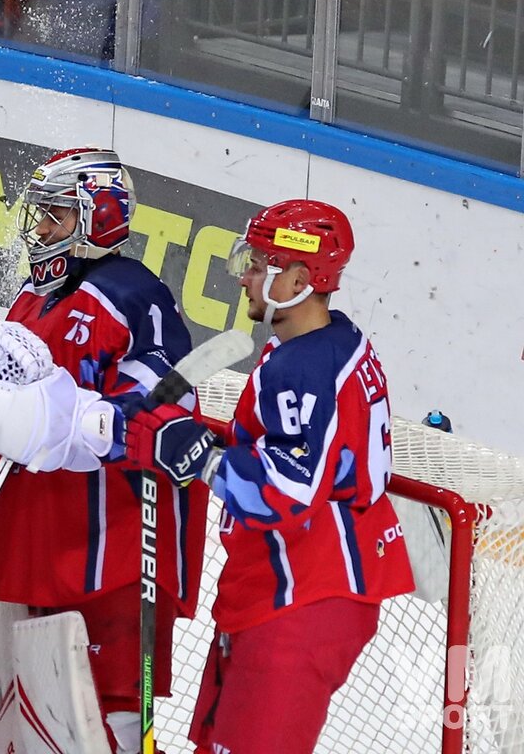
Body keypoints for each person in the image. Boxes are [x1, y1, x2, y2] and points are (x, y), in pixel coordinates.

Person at [121, 199, 416, 753]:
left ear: (299, 279)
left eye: (258, 266)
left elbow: (286, 491)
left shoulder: (302, 369)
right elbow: (284, 448)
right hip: (285, 588)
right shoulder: (329, 342)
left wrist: (199, 456)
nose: (245, 278)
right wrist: (198, 440)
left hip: (303, 597)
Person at [0, 148, 208, 752]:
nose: (40, 229)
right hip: (38, 535)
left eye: (56, 215)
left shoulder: (133, 294)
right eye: (41, 214)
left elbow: (169, 399)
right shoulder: (32, 294)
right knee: (29, 706)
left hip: (111, 550)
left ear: (97, 218)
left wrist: (98, 418)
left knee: (105, 707)